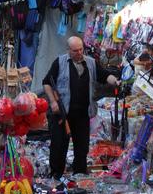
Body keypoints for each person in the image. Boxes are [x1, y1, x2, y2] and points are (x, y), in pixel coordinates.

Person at [42, 36, 119, 177]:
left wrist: (114, 81)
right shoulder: (59, 62)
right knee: (58, 147)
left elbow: (105, 75)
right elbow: (46, 82)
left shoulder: (91, 63)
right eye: (75, 51)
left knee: (82, 149)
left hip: (82, 115)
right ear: (68, 50)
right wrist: (53, 101)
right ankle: (55, 176)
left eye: (81, 50)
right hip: (62, 114)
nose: (79, 53)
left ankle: (79, 177)